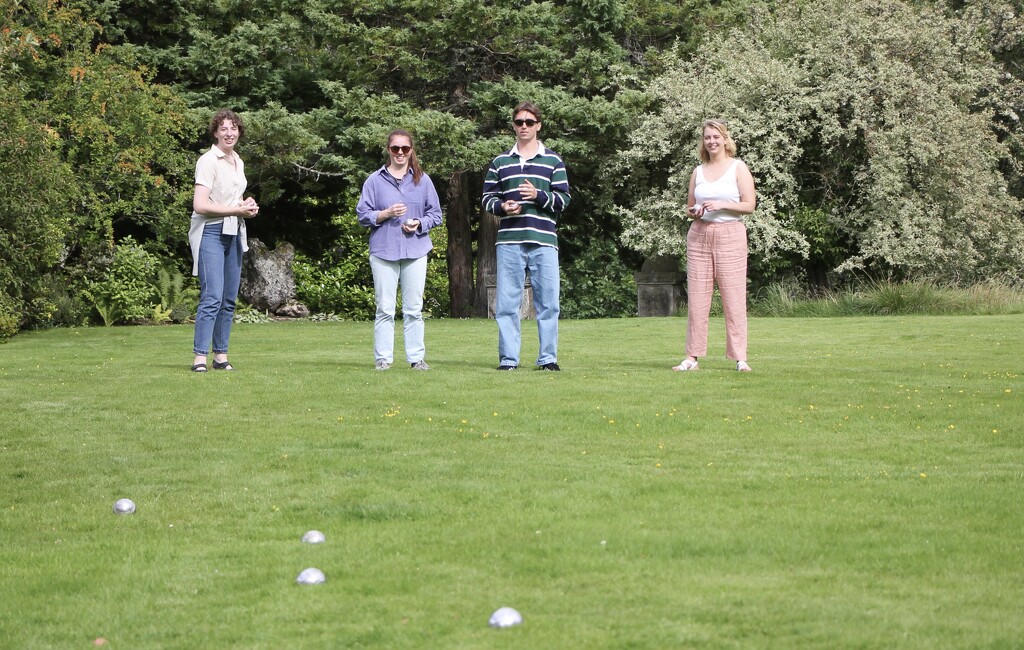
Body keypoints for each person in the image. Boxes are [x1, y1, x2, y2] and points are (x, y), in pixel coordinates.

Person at [481, 101, 571, 371]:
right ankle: (509, 360)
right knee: (507, 303)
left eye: (529, 122)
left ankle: (548, 359)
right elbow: (486, 198)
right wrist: (502, 207)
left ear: (538, 126)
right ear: (513, 126)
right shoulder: (500, 162)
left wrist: (539, 196)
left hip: (544, 240)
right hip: (509, 240)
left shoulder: (553, 161)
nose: (524, 126)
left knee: (549, 302)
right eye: (519, 122)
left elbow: (564, 200)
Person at [673, 119, 757, 373]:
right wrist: (695, 212)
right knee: (697, 299)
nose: (712, 141)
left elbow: (749, 205)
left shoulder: (737, 168)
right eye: (707, 137)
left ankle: (740, 358)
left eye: (716, 137)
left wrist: (721, 205)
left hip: (730, 235)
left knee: (733, 297)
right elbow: (689, 208)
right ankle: (692, 357)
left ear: (725, 139)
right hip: (699, 235)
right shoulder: (698, 171)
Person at [356, 129, 443, 371]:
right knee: (384, 308)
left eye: (405, 148)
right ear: (389, 150)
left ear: (411, 150)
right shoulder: (374, 181)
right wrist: (385, 214)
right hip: (384, 251)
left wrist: (419, 224)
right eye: (396, 149)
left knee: (414, 309)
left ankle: (416, 359)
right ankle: (383, 359)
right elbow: (363, 215)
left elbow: (435, 215)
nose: (400, 153)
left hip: (416, 250)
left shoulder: (422, 180)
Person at [189, 109, 259, 373]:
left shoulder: (237, 160)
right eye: (224, 129)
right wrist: (236, 210)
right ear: (215, 133)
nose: (229, 133)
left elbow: (231, 200)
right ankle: (199, 358)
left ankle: (220, 356)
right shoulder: (208, 161)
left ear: (239, 131)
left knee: (229, 299)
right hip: (211, 233)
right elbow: (200, 204)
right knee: (212, 297)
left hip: (233, 232)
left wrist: (245, 206)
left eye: (233, 128)